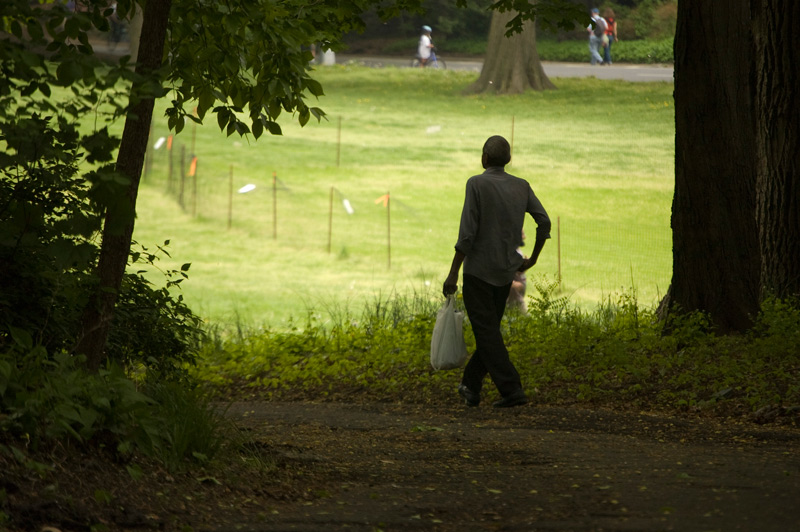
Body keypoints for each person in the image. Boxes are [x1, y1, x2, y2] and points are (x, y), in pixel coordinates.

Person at [443, 136, 550, 408]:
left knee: (487, 333)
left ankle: (512, 390)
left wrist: (453, 273)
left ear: (484, 159)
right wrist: (533, 258)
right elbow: (544, 221)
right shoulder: (521, 186)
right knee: (488, 332)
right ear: (509, 160)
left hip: (478, 272)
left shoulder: (476, 183)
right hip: (505, 273)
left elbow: (467, 233)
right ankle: (471, 386)